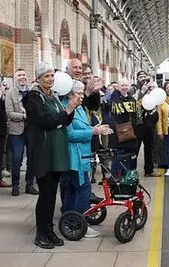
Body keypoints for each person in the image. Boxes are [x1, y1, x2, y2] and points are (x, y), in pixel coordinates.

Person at [24, 62, 82, 249]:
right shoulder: (33, 97)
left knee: (52, 194)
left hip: (56, 151)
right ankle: (41, 232)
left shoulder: (54, 96)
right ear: (38, 78)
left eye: (51, 75)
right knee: (45, 194)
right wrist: (66, 111)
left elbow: (64, 120)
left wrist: (71, 109)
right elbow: (46, 121)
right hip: (43, 152)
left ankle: (49, 230)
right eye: (46, 76)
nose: (50, 79)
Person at [60, 80, 111, 238]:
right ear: (70, 93)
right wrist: (94, 132)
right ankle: (81, 224)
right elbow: (69, 135)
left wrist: (98, 129)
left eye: (83, 93)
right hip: (74, 156)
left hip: (82, 155)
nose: (83, 96)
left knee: (72, 189)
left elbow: (86, 127)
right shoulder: (65, 109)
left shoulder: (80, 108)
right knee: (83, 189)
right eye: (79, 93)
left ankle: (69, 221)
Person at [6, 68, 38, 196]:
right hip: (16, 130)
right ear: (15, 78)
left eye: (24, 75)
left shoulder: (33, 92)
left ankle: (30, 184)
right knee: (16, 158)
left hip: (31, 130)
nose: (22, 77)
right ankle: (15, 185)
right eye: (19, 75)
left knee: (32, 158)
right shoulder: (10, 93)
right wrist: (23, 116)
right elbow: (9, 113)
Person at [108, 79, 139, 177]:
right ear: (118, 87)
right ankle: (116, 176)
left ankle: (128, 177)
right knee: (119, 155)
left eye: (126, 85)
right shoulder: (114, 97)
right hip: (118, 133)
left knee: (130, 156)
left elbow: (135, 115)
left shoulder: (132, 99)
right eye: (122, 85)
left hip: (130, 132)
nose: (124, 88)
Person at [134, 71, 160, 177]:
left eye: (144, 76)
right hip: (138, 124)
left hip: (149, 124)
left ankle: (149, 170)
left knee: (149, 148)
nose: (143, 78)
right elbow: (133, 102)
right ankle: (132, 171)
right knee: (135, 149)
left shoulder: (151, 90)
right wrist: (142, 91)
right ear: (137, 79)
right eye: (140, 77)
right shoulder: (134, 89)